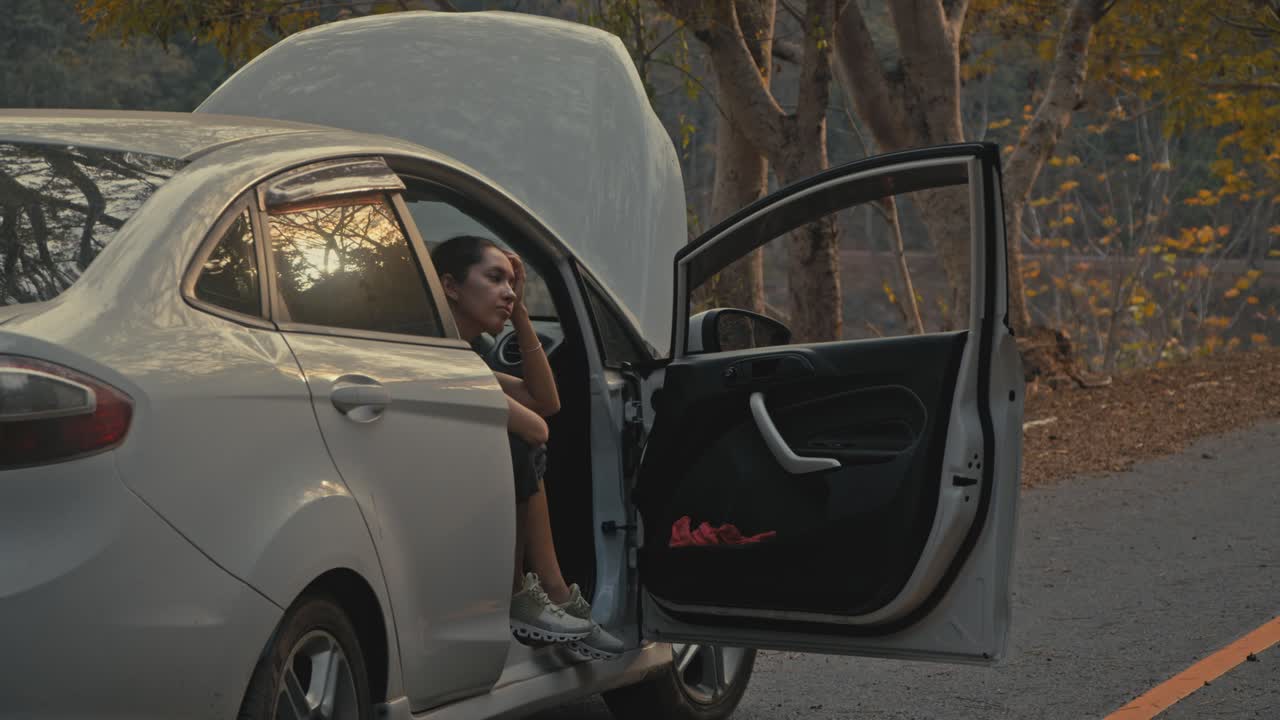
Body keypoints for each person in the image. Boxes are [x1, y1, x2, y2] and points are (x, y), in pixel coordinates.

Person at [431, 234, 623, 660]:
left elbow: (546, 400)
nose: (508, 291)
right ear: (450, 285)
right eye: (495, 278)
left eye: (512, 283)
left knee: (521, 445)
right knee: (523, 445)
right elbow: (538, 426)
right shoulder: (437, 352)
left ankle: (545, 597)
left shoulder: (464, 356)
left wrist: (520, 315)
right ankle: (531, 592)